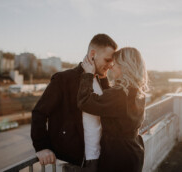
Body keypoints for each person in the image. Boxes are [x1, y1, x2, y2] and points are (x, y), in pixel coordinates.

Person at [31, 33, 117, 171]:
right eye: (107, 60)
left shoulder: (102, 81)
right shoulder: (63, 79)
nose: (110, 65)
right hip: (74, 163)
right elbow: (39, 113)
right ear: (93, 54)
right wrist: (42, 147)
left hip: (103, 159)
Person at [77, 47, 148, 172]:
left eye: (114, 64)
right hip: (134, 151)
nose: (110, 67)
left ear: (124, 67)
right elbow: (110, 104)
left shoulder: (119, 94)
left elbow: (85, 102)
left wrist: (88, 74)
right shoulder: (137, 92)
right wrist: (103, 78)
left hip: (118, 156)